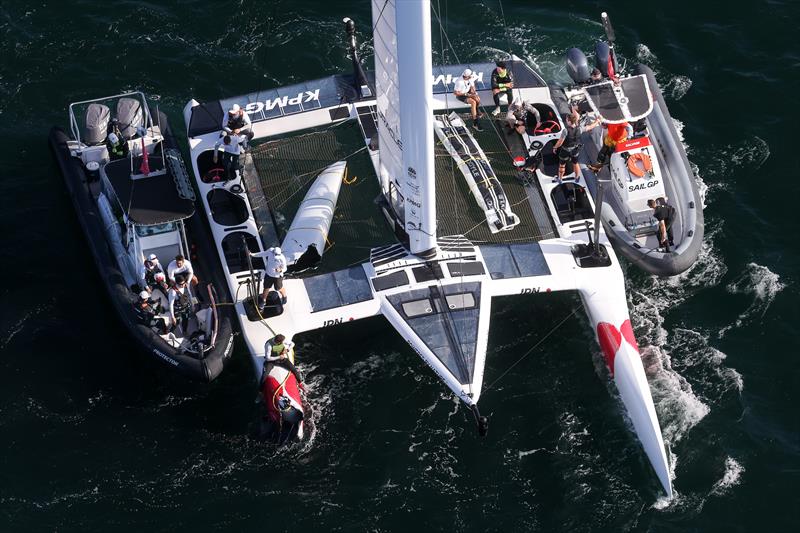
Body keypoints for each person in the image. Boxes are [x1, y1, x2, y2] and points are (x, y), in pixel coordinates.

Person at [552, 106, 601, 183]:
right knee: (575, 163)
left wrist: (555, 147)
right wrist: (597, 121)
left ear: (569, 121)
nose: (566, 121)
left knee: (562, 164)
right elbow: (590, 126)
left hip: (565, 150)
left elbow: (560, 142)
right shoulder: (580, 128)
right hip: (575, 150)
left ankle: (560, 178)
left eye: (567, 120)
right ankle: (577, 177)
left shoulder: (565, 131)